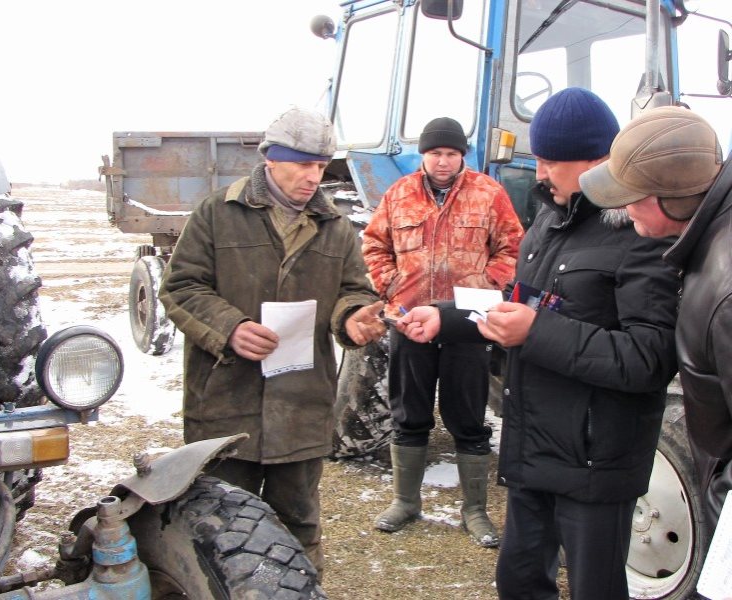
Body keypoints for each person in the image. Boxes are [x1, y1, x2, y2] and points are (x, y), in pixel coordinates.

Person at [394, 89, 680, 599]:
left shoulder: (639, 231)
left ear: (597, 161)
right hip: (533, 449)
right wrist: (444, 319)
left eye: (551, 162)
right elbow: (515, 303)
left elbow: (648, 359)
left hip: (596, 460)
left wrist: (537, 331)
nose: (540, 172)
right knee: (520, 583)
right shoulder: (548, 221)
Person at [159, 106, 386, 579]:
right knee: (218, 526)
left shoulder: (336, 227)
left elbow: (352, 292)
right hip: (226, 403)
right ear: (271, 161)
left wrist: (354, 319)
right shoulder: (218, 214)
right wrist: (229, 327)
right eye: (302, 164)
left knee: (298, 525)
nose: (313, 177)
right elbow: (181, 287)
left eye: (321, 166)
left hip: (301, 405)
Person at [362, 117, 524, 546]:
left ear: (461, 156)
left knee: (469, 419)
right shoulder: (399, 194)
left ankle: (474, 510)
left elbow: (512, 247)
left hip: (466, 325)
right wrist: (392, 284)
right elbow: (374, 244)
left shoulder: (488, 193)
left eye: (451, 153)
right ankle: (406, 501)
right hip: (410, 321)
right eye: (435, 152)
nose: (443, 160)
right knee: (409, 414)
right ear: (423, 155)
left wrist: (485, 287)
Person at [579, 105, 731, 531]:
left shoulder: (726, 288)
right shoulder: (707, 246)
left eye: (629, 197)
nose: (623, 212)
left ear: (668, 198)